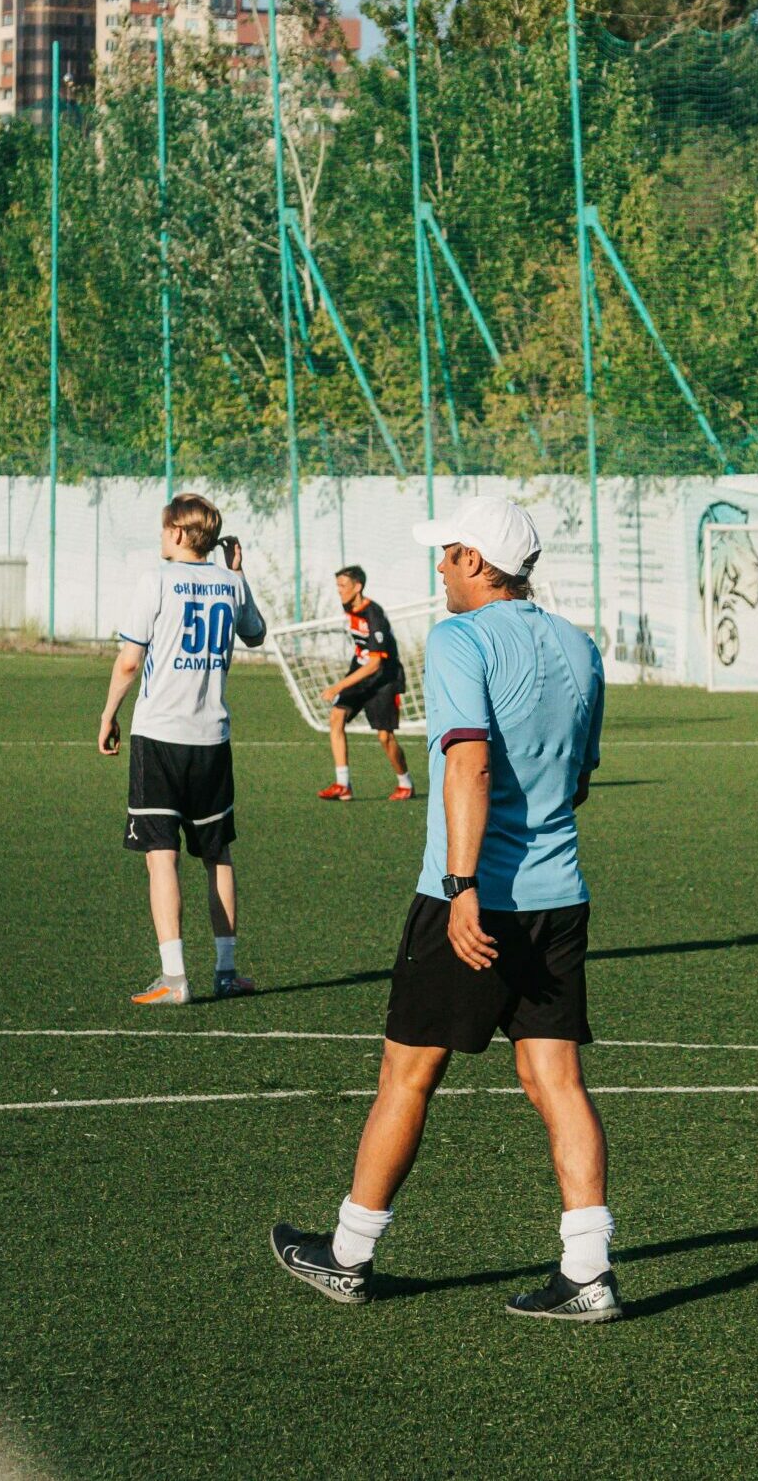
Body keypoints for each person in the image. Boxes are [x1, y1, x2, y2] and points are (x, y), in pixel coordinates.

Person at [271, 496, 620, 1322]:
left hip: (470, 896)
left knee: (408, 1073)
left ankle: (349, 1254)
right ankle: (589, 1271)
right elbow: (578, 777)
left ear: (476, 561)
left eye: (448, 552)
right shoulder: (581, 645)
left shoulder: (461, 639)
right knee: (556, 1078)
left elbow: (467, 764)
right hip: (560, 894)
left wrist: (464, 887)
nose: (439, 567)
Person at [98, 493, 266, 1005]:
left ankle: (174, 978)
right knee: (217, 854)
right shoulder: (229, 583)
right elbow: (255, 635)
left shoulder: (156, 579)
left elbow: (130, 662)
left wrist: (108, 714)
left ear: (175, 532)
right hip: (211, 739)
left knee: (161, 854)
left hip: (160, 738)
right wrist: (239, 574)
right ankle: (226, 970)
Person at [316, 565, 414, 803]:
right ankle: (343, 785)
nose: (338, 591)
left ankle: (405, 782)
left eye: (343, 586)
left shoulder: (375, 615)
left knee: (385, 737)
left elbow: (374, 665)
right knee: (336, 718)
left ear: (357, 587)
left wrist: (337, 687)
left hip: (383, 679)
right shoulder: (348, 606)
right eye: (337, 585)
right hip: (360, 673)